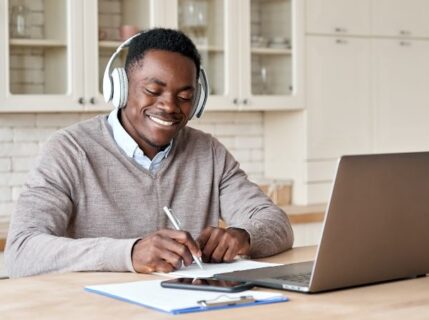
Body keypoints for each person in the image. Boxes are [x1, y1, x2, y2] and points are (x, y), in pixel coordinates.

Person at [5, 28, 293, 278]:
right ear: (120, 88)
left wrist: (243, 236)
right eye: (153, 90)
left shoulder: (209, 152)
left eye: (184, 97)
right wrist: (129, 253)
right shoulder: (69, 150)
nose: (169, 106)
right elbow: (21, 252)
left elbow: (276, 222)